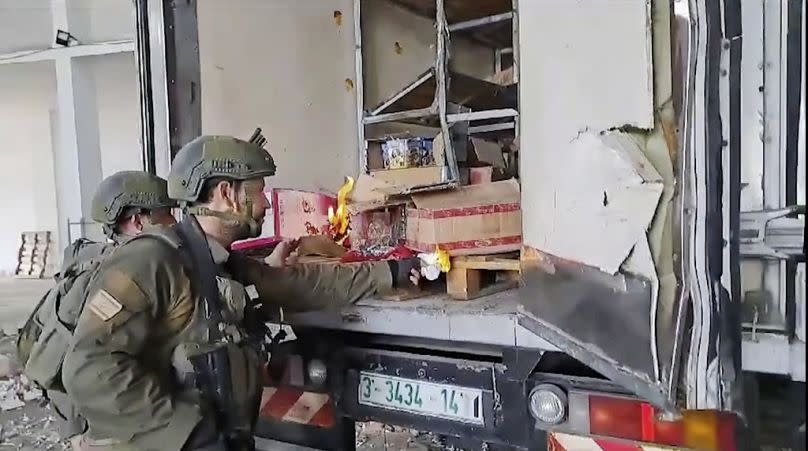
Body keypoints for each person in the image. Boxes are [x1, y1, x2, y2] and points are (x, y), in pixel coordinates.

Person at [62, 135, 419, 451]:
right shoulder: (153, 260)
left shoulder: (218, 262)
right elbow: (89, 369)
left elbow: (298, 285)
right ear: (226, 194)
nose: (265, 203)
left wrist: (390, 272)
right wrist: (190, 436)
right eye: (258, 190)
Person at [17, 171, 178, 446]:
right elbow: (94, 364)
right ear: (137, 221)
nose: (174, 223)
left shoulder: (112, 260)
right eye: (166, 215)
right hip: (95, 424)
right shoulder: (116, 276)